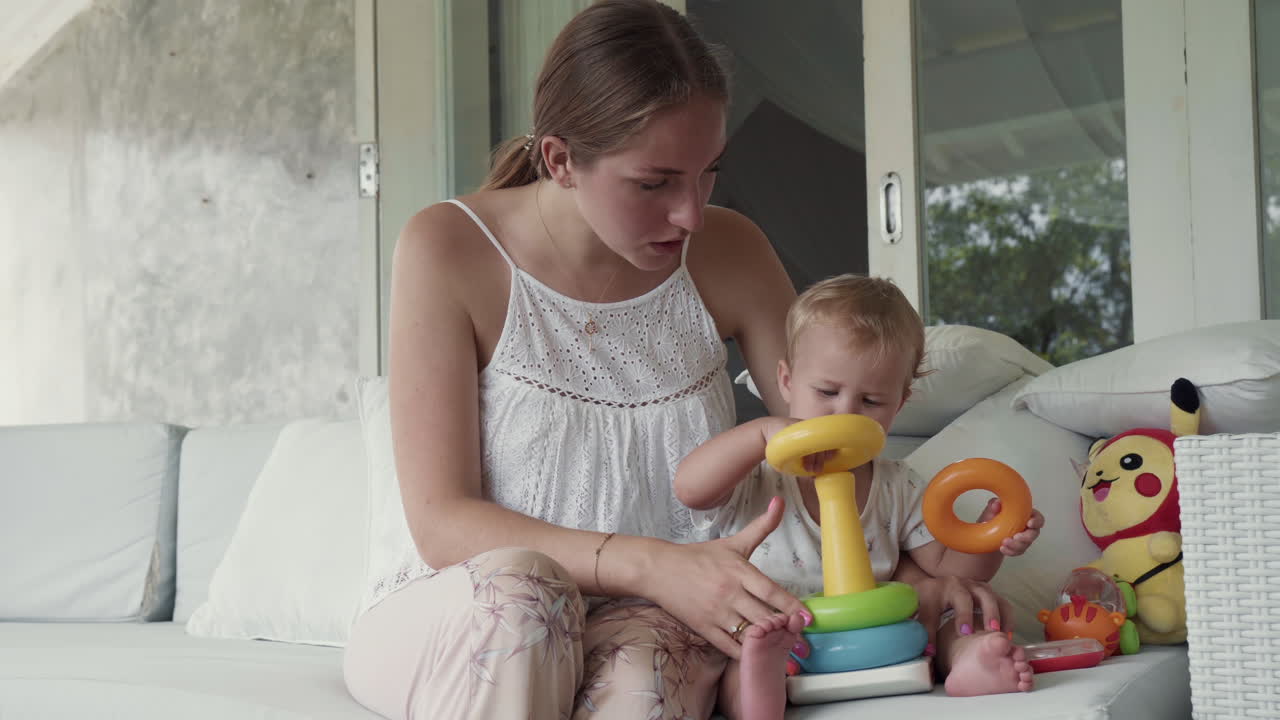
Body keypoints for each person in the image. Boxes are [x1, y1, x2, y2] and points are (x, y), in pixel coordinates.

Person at [341, 2, 810, 718]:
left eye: (708, 171)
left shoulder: (733, 250)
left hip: (648, 615)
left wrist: (933, 567)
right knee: (527, 601)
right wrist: (653, 564)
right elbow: (443, 524)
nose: (690, 213)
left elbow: (828, 444)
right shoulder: (449, 248)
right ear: (560, 160)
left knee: (651, 676)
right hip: (461, 608)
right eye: (654, 183)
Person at [675, 274, 1045, 720]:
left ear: (899, 405)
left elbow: (951, 569)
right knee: (740, 656)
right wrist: (760, 433)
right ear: (787, 381)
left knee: (953, 621)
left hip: (875, 637)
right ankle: (756, 699)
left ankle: (971, 661)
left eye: (871, 401)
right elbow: (690, 489)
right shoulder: (759, 471)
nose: (845, 412)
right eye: (827, 392)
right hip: (780, 633)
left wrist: (991, 536)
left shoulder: (897, 484)